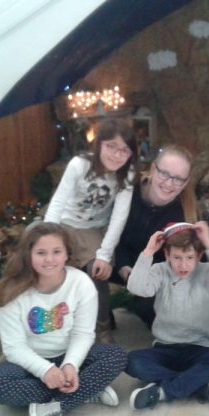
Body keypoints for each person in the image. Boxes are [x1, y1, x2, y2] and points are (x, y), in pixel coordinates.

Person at [0, 222, 127, 416]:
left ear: (67, 254)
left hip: (70, 354)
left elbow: (83, 334)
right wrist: (45, 371)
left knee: (116, 356)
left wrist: (70, 365)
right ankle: (86, 390)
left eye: (56, 252)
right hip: (31, 360)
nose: (49, 259)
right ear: (28, 255)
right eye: (41, 253)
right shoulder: (11, 291)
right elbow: (14, 347)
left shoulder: (80, 283)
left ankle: (54, 406)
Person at [125, 221, 209, 409]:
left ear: (199, 256)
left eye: (189, 257)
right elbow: (136, 287)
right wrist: (148, 252)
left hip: (200, 347)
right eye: (177, 257)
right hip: (165, 347)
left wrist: (208, 242)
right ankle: (195, 385)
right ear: (167, 254)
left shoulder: (208, 272)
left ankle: (163, 391)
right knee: (132, 361)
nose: (183, 265)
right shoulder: (160, 270)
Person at [44, 118, 137, 343]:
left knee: (97, 272)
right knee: (50, 266)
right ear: (99, 144)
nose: (117, 155)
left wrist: (104, 255)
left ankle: (102, 327)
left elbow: (119, 216)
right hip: (65, 224)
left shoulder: (127, 174)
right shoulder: (79, 165)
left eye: (124, 150)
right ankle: (52, 325)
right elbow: (58, 201)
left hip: (94, 228)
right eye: (111, 146)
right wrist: (48, 237)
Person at [113, 144, 199, 328]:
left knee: (151, 308)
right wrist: (122, 265)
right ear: (153, 169)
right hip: (119, 260)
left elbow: (185, 260)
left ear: (185, 182)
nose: (169, 183)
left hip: (155, 273)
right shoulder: (129, 193)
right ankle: (100, 323)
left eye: (178, 179)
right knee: (88, 263)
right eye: (164, 174)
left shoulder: (184, 213)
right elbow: (113, 234)